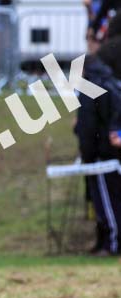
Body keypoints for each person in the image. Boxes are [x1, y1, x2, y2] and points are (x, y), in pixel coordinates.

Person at [75, 18, 121, 256]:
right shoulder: (111, 83)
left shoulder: (89, 89)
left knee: (107, 200)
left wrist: (87, 154)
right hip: (113, 150)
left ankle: (113, 243)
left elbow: (87, 125)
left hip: (101, 153)